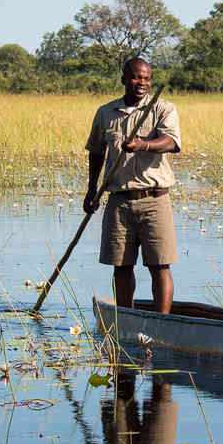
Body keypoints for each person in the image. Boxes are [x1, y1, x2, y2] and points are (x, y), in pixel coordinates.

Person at [83, 57, 181, 313]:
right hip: (119, 201)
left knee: (160, 265)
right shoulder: (106, 113)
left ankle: (163, 321)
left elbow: (171, 142)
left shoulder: (163, 108)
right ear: (124, 79)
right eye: (137, 77)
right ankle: (126, 318)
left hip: (155, 199)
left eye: (147, 78)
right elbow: (96, 152)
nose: (142, 83)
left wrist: (143, 144)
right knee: (122, 266)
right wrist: (92, 190)